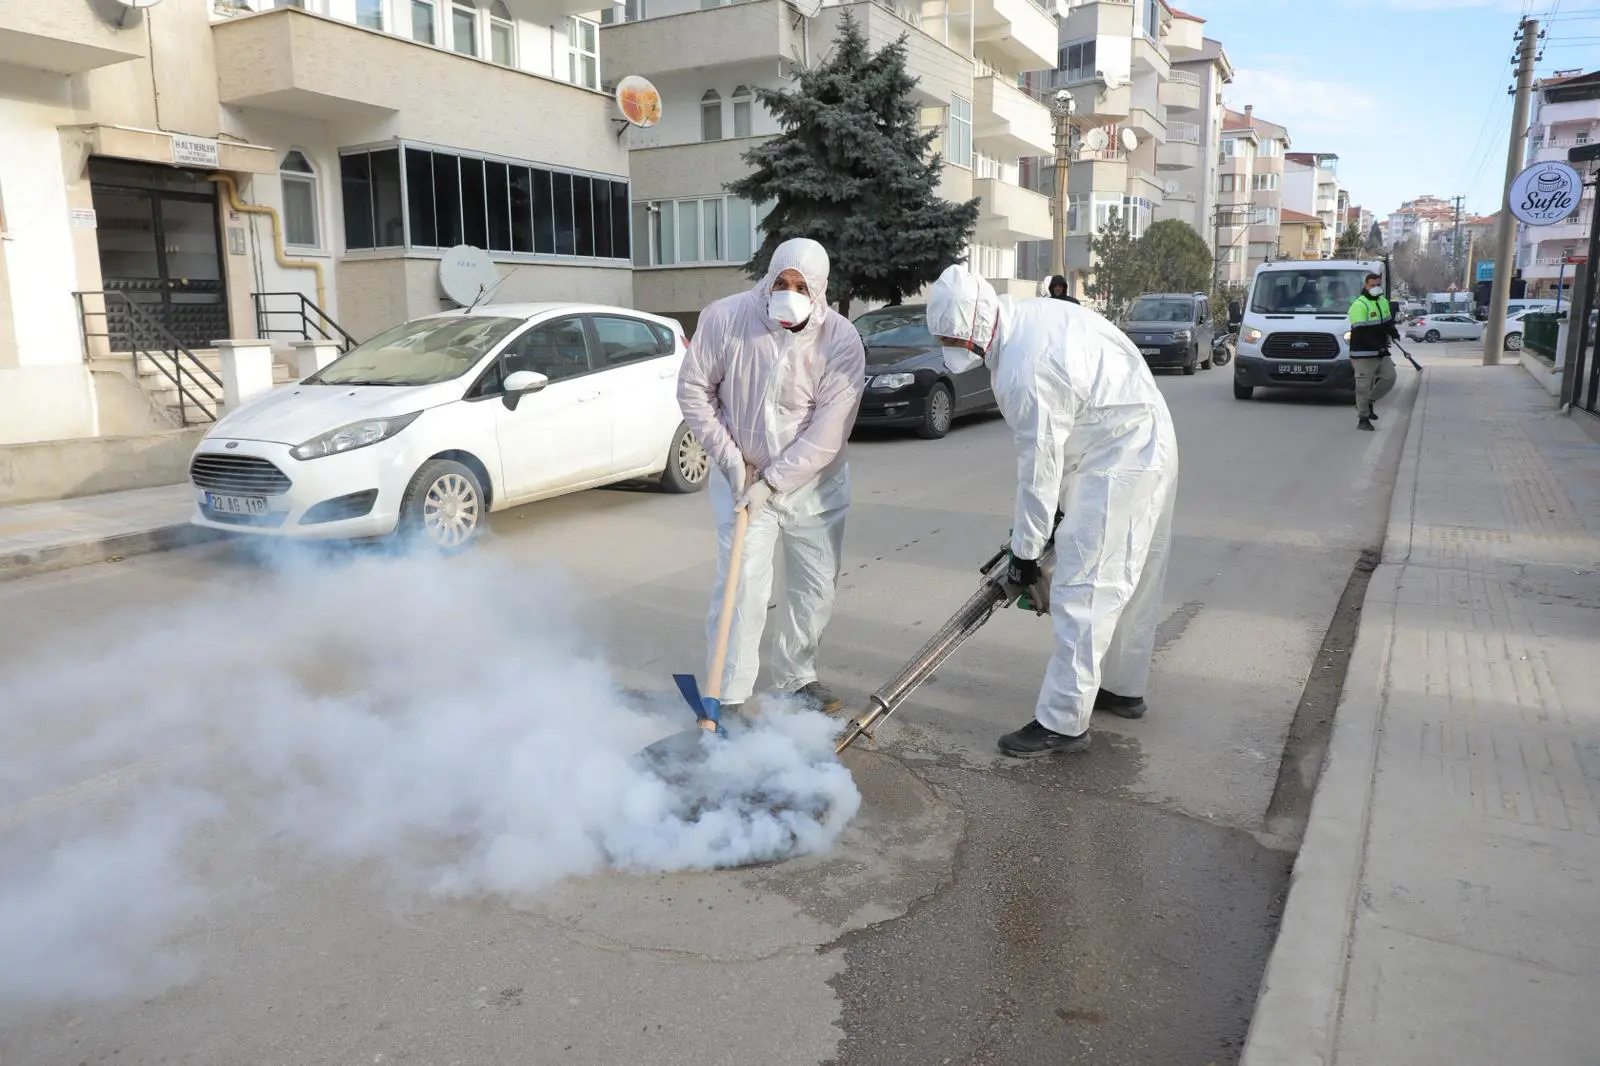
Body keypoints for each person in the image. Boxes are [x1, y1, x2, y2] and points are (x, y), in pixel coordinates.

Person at [926, 264, 1179, 758]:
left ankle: (1063, 722)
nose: (959, 350)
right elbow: (1058, 446)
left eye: (958, 340)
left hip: (1119, 455)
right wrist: (1046, 528)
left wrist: (1024, 553)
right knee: (1132, 573)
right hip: (1144, 435)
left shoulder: (1024, 365)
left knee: (1086, 587)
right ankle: (1123, 689)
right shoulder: (1031, 319)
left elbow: (1040, 467)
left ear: (976, 324)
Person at [677, 238, 866, 718]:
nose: (788, 292)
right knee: (741, 587)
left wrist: (773, 481)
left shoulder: (840, 340)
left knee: (813, 587)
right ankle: (728, 692)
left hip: (814, 486)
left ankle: (797, 680)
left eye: (801, 286)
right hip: (742, 478)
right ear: (767, 278)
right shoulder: (725, 319)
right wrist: (734, 463)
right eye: (780, 282)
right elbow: (694, 390)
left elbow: (829, 430)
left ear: (819, 291)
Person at [1347, 271, 1398, 432]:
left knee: (1390, 378)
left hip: (1380, 352)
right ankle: (1363, 419)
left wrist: (1393, 331)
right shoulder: (1358, 305)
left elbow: (1387, 323)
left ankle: (1369, 401)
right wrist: (1378, 346)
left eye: (1378, 285)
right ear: (1366, 286)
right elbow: (1361, 333)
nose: (1376, 288)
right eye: (1373, 285)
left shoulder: (1383, 301)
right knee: (1363, 386)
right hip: (1363, 354)